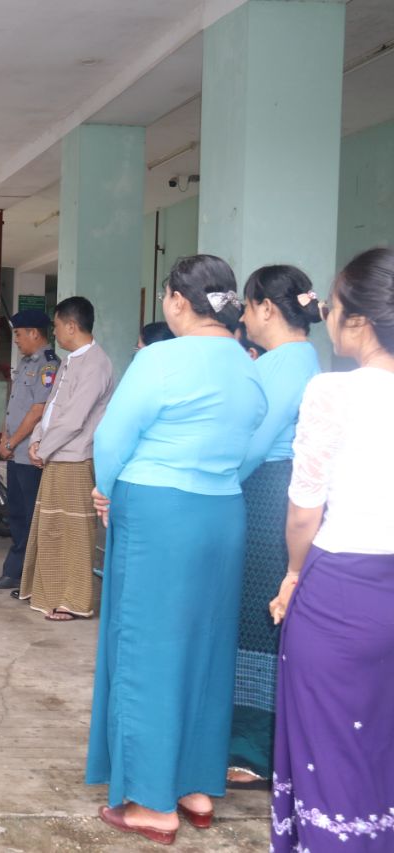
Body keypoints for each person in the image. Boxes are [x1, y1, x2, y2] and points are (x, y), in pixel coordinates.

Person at [86, 254, 266, 844]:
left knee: (147, 651)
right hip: (222, 512)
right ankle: (195, 786)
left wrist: (107, 490)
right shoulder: (246, 364)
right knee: (206, 650)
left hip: (158, 511)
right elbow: (251, 444)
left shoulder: (161, 358)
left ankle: (151, 802)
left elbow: (113, 437)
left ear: (177, 301)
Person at [268, 247, 394, 853]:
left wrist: (294, 573)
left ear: (360, 321)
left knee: (333, 751)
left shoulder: (332, 392)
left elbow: (304, 510)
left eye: (332, 308)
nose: (327, 317)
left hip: (341, 591)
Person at [226, 266, 322, 787]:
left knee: (257, 620)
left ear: (266, 308)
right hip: (264, 490)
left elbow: (255, 442)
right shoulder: (291, 359)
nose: (243, 317)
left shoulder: (289, 362)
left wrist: (217, 483)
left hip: (268, 493)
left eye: (247, 306)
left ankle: (254, 748)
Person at [18, 296, 115, 620]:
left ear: (72, 326)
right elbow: (51, 407)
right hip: (56, 454)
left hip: (75, 459)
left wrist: (43, 449)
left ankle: (74, 601)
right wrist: (36, 439)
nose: (55, 332)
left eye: (58, 326)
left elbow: (74, 420)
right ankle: (48, 592)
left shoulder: (96, 364)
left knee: (73, 534)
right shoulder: (70, 360)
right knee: (51, 529)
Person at [0, 308, 59, 590]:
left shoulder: (47, 366)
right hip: (16, 451)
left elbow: (39, 409)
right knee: (15, 513)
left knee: (29, 517)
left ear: (34, 333)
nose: (15, 340)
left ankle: (23, 575)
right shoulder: (27, 363)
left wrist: (13, 442)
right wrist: (5, 439)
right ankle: (17, 573)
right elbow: (14, 407)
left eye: (18, 334)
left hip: (30, 454)